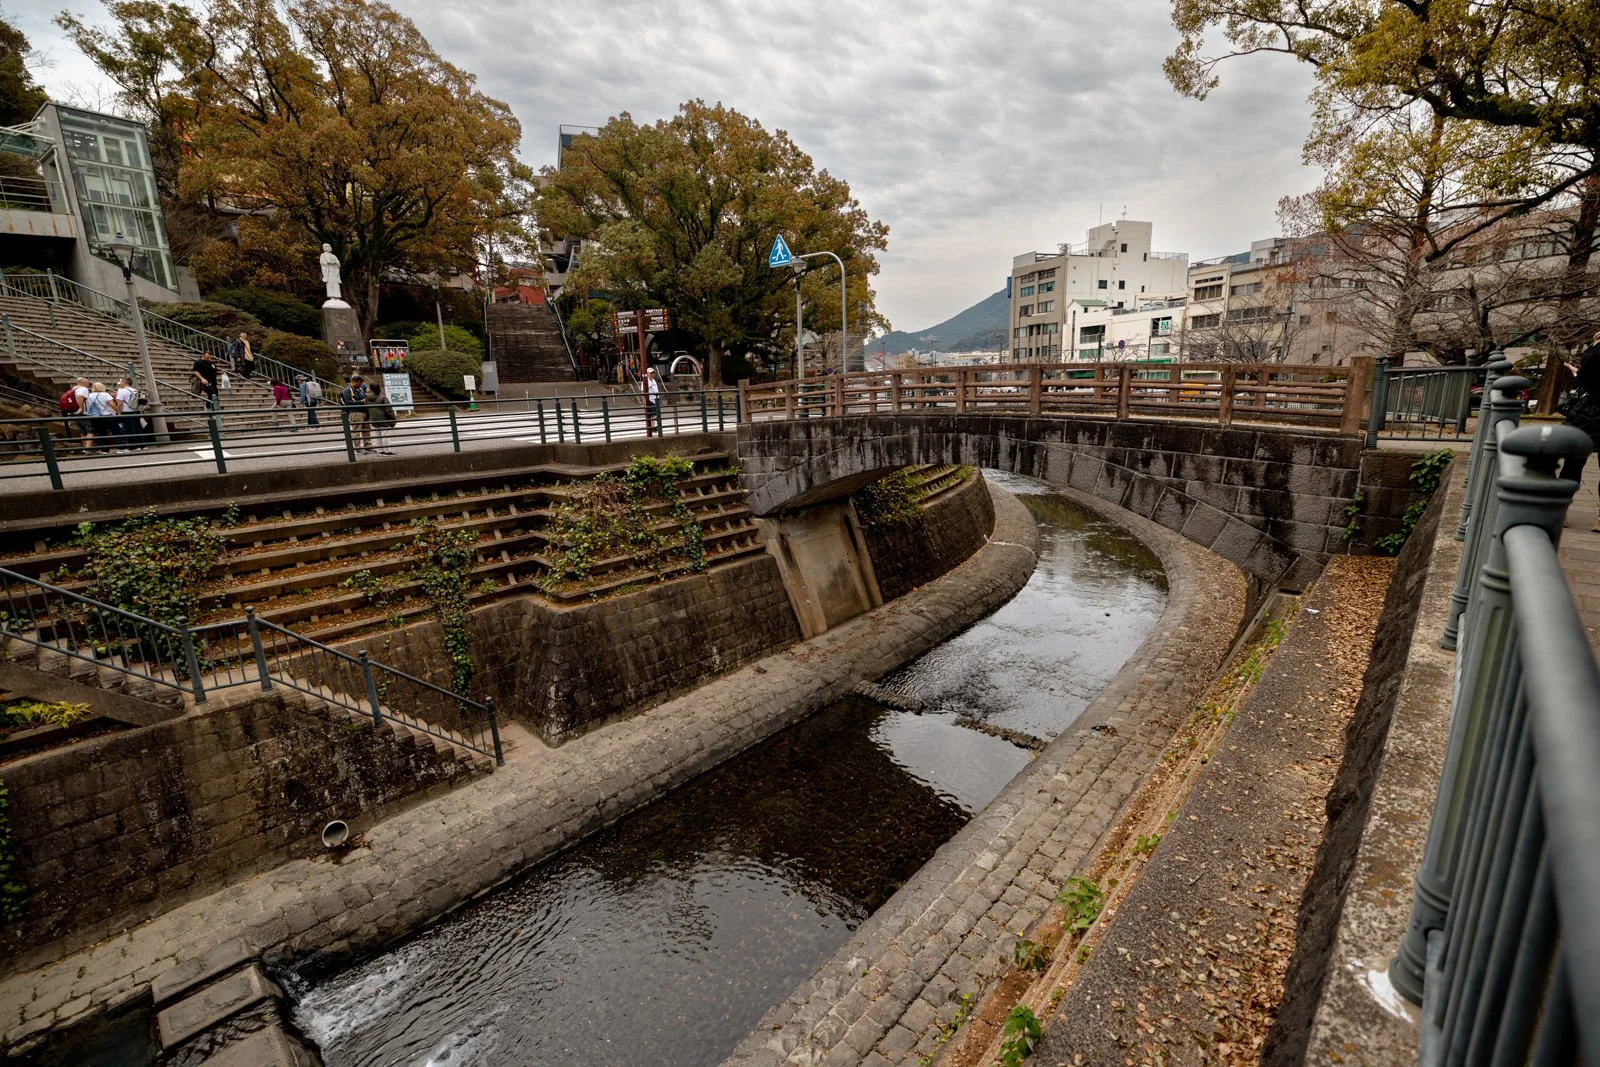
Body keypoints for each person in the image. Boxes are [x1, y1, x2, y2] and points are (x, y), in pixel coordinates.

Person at [1562, 328, 1600, 531]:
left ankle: (1561, 510)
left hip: (1590, 412)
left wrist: (1595, 347)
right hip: (1591, 411)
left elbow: (1585, 376)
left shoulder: (1597, 352)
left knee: (1574, 463)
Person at [82, 381, 118, 454]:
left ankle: (104, 450)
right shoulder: (105, 394)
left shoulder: (89, 396)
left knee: (102, 433)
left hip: (95, 416)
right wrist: (118, 412)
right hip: (106, 415)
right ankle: (121, 448)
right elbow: (112, 404)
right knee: (117, 431)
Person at [339, 374, 372, 453]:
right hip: (355, 412)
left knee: (366, 429)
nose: (360, 385)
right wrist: (361, 402)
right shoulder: (347, 390)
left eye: (361, 384)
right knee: (356, 430)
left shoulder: (360, 389)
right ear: (353, 382)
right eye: (359, 383)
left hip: (364, 411)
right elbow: (348, 402)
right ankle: (358, 448)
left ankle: (368, 446)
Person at [367, 377, 397, 455]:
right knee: (385, 436)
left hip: (373, 419)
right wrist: (393, 418)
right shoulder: (383, 398)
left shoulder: (367, 398)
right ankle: (387, 451)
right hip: (383, 420)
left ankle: (380, 451)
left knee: (377, 436)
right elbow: (389, 410)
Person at [59, 377, 88, 445]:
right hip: (81, 413)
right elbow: (79, 397)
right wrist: (81, 408)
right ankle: (87, 447)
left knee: (83, 431)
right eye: (87, 383)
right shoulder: (83, 389)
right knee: (88, 431)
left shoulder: (73, 389)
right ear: (85, 383)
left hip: (74, 411)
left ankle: (85, 446)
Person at [114, 377, 141, 450]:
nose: (120, 384)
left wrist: (118, 412)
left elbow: (120, 403)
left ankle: (133, 446)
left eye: (121, 382)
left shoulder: (121, 391)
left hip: (126, 412)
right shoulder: (135, 390)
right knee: (138, 428)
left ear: (125, 383)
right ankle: (142, 445)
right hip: (136, 411)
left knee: (129, 429)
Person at [645, 366, 661, 436]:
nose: (652, 374)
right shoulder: (645, 381)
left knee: (655, 414)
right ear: (647, 373)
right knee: (651, 414)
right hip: (650, 399)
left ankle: (654, 427)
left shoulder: (653, 380)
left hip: (656, 399)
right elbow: (643, 390)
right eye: (651, 373)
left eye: (653, 373)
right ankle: (651, 427)